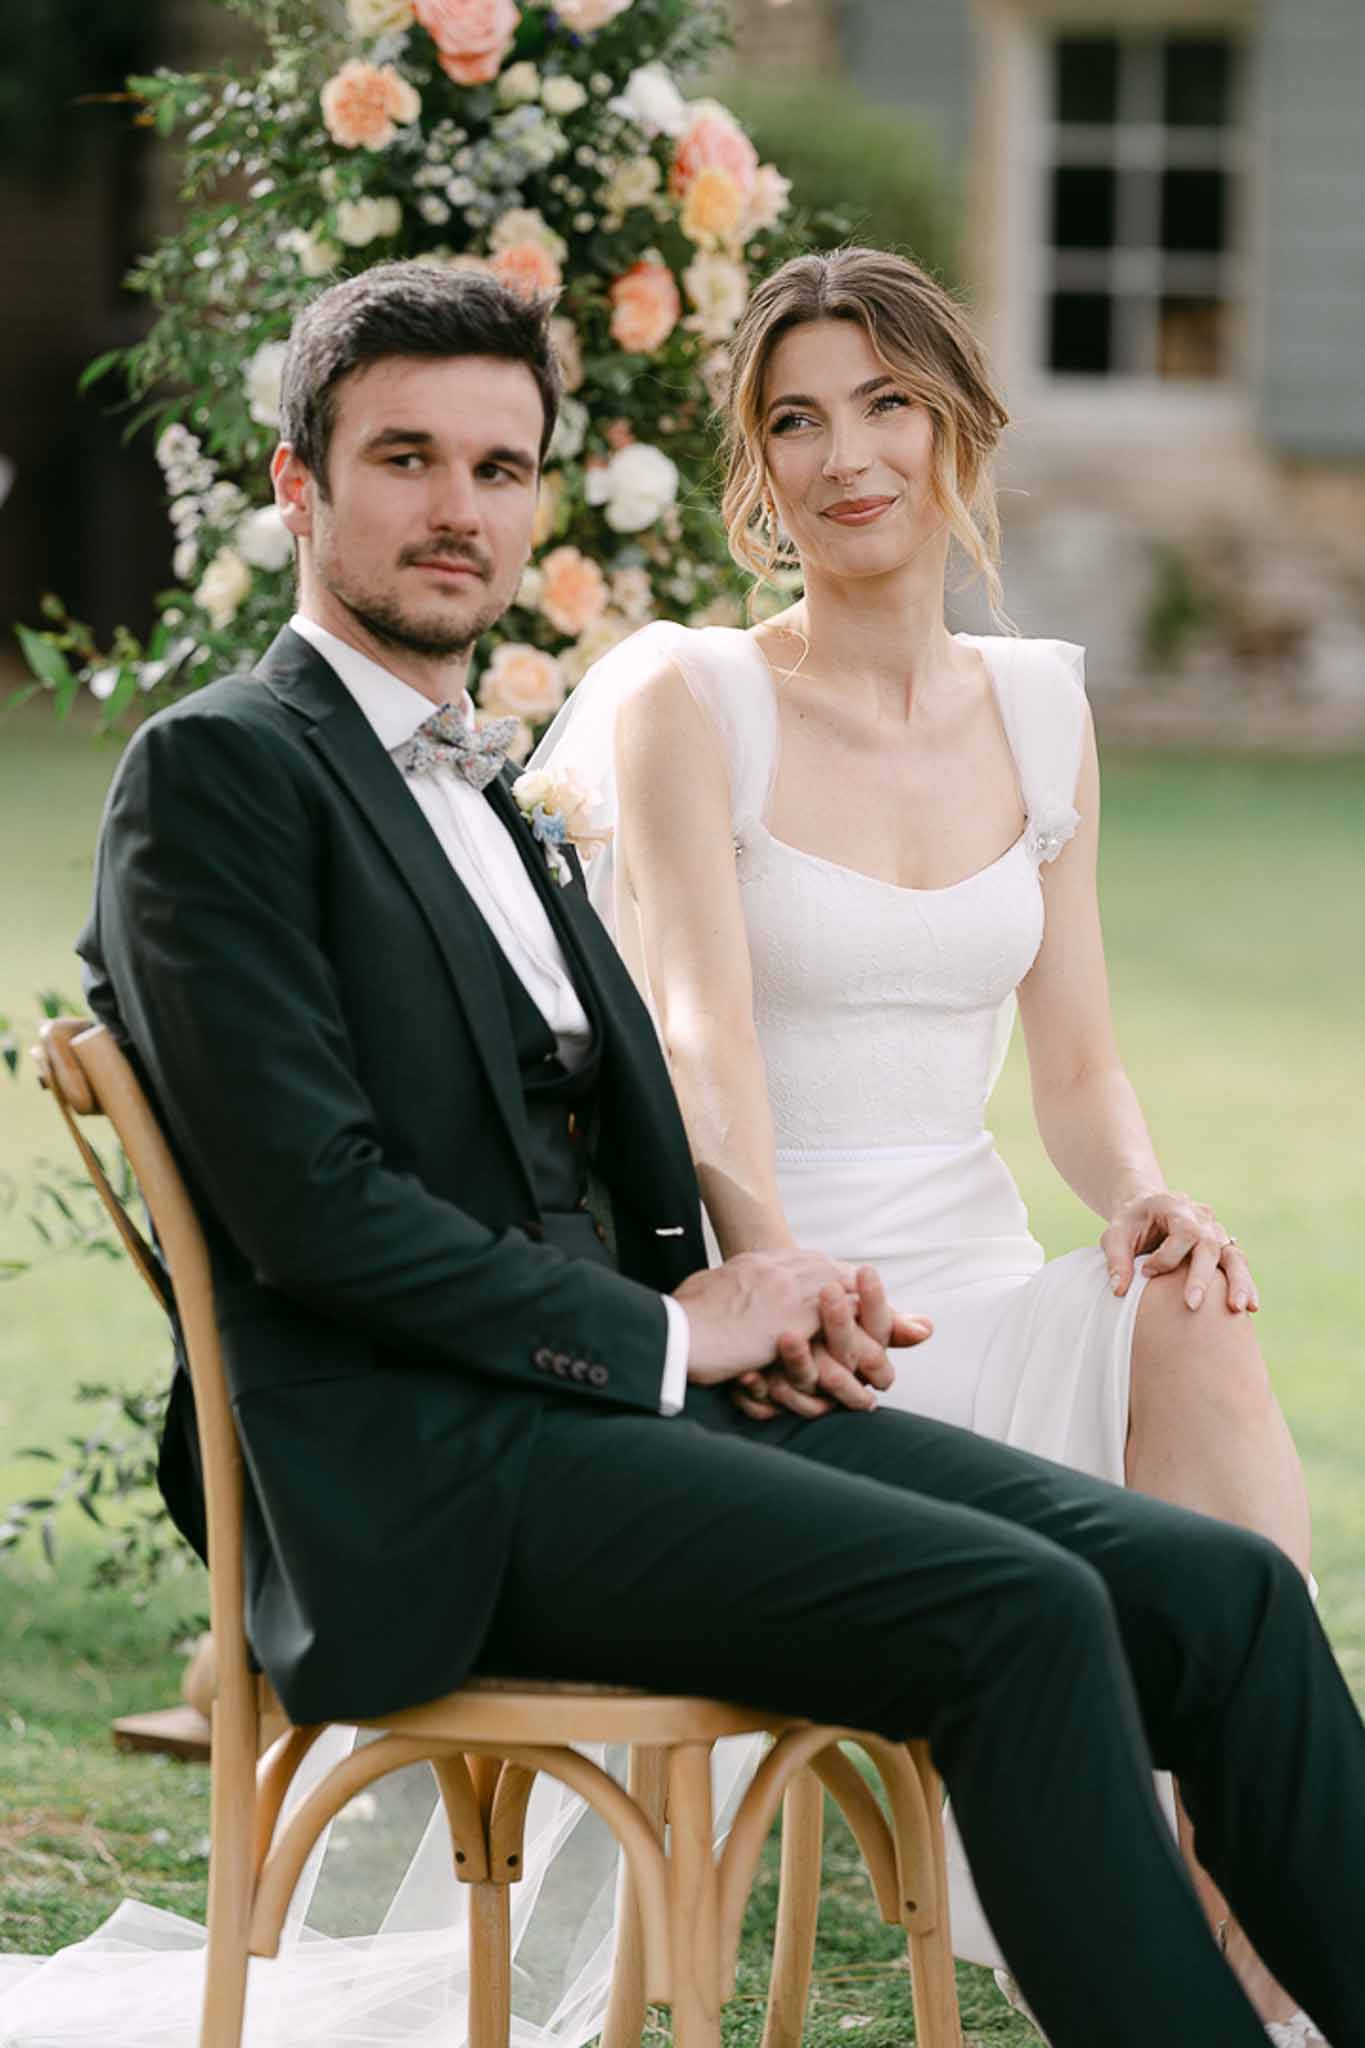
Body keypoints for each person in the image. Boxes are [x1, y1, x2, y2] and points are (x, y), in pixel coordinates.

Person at [22, 260, 1365, 2048]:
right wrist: (678, 1331)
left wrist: (759, 1296)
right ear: (298, 487)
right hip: (429, 1475)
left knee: (1229, 1592)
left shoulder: (488, 794)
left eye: (499, 471)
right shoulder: (220, 775)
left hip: (621, 1420)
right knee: (1023, 1611)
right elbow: (313, 1214)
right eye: (404, 459)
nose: (456, 509)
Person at [530, 245, 1329, 2040]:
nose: (844, 456)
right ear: (755, 466)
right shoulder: (693, 701)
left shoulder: (1039, 704)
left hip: (981, 1268)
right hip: (792, 1323)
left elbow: (1077, 1069)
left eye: (885, 403)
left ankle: (1250, 1923)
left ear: (958, 425)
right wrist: (776, 1262)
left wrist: (1140, 1200)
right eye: (795, 419)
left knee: (1196, 1309)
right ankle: (1263, 1954)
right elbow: (698, 1043)